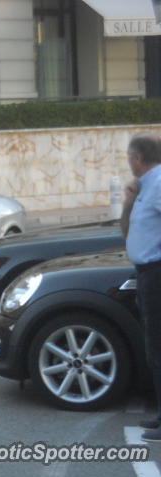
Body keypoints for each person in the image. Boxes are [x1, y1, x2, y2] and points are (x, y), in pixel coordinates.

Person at [121, 133, 161, 442]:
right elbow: (127, 231)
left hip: (157, 273)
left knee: (158, 347)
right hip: (147, 273)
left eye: (129, 158)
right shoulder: (145, 188)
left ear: (137, 159)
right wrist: (130, 200)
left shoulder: (159, 184)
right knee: (154, 347)